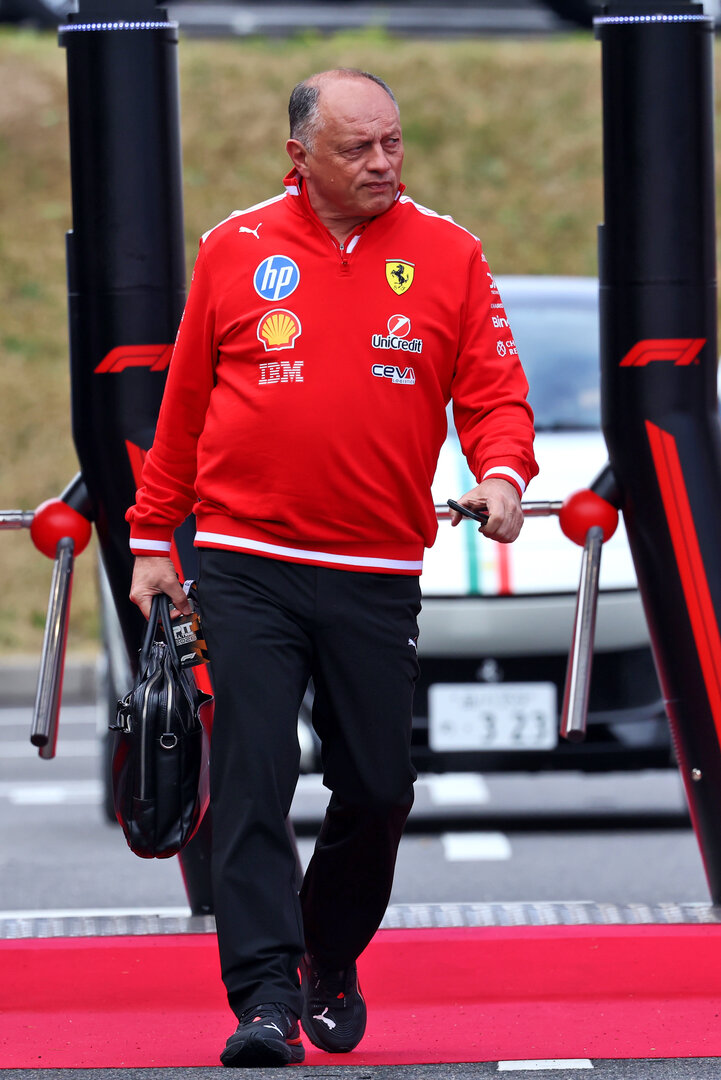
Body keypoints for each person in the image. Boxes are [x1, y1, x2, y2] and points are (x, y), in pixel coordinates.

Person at [127, 68, 538, 1068]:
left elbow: (493, 392)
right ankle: (264, 998)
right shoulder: (235, 249)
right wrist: (151, 538)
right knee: (255, 778)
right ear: (298, 156)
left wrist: (501, 474)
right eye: (357, 148)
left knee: (379, 787)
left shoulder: (448, 253)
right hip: (246, 561)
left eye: (392, 142)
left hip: (375, 566)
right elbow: (182, 411)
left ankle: (326, 950)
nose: (382, 163)